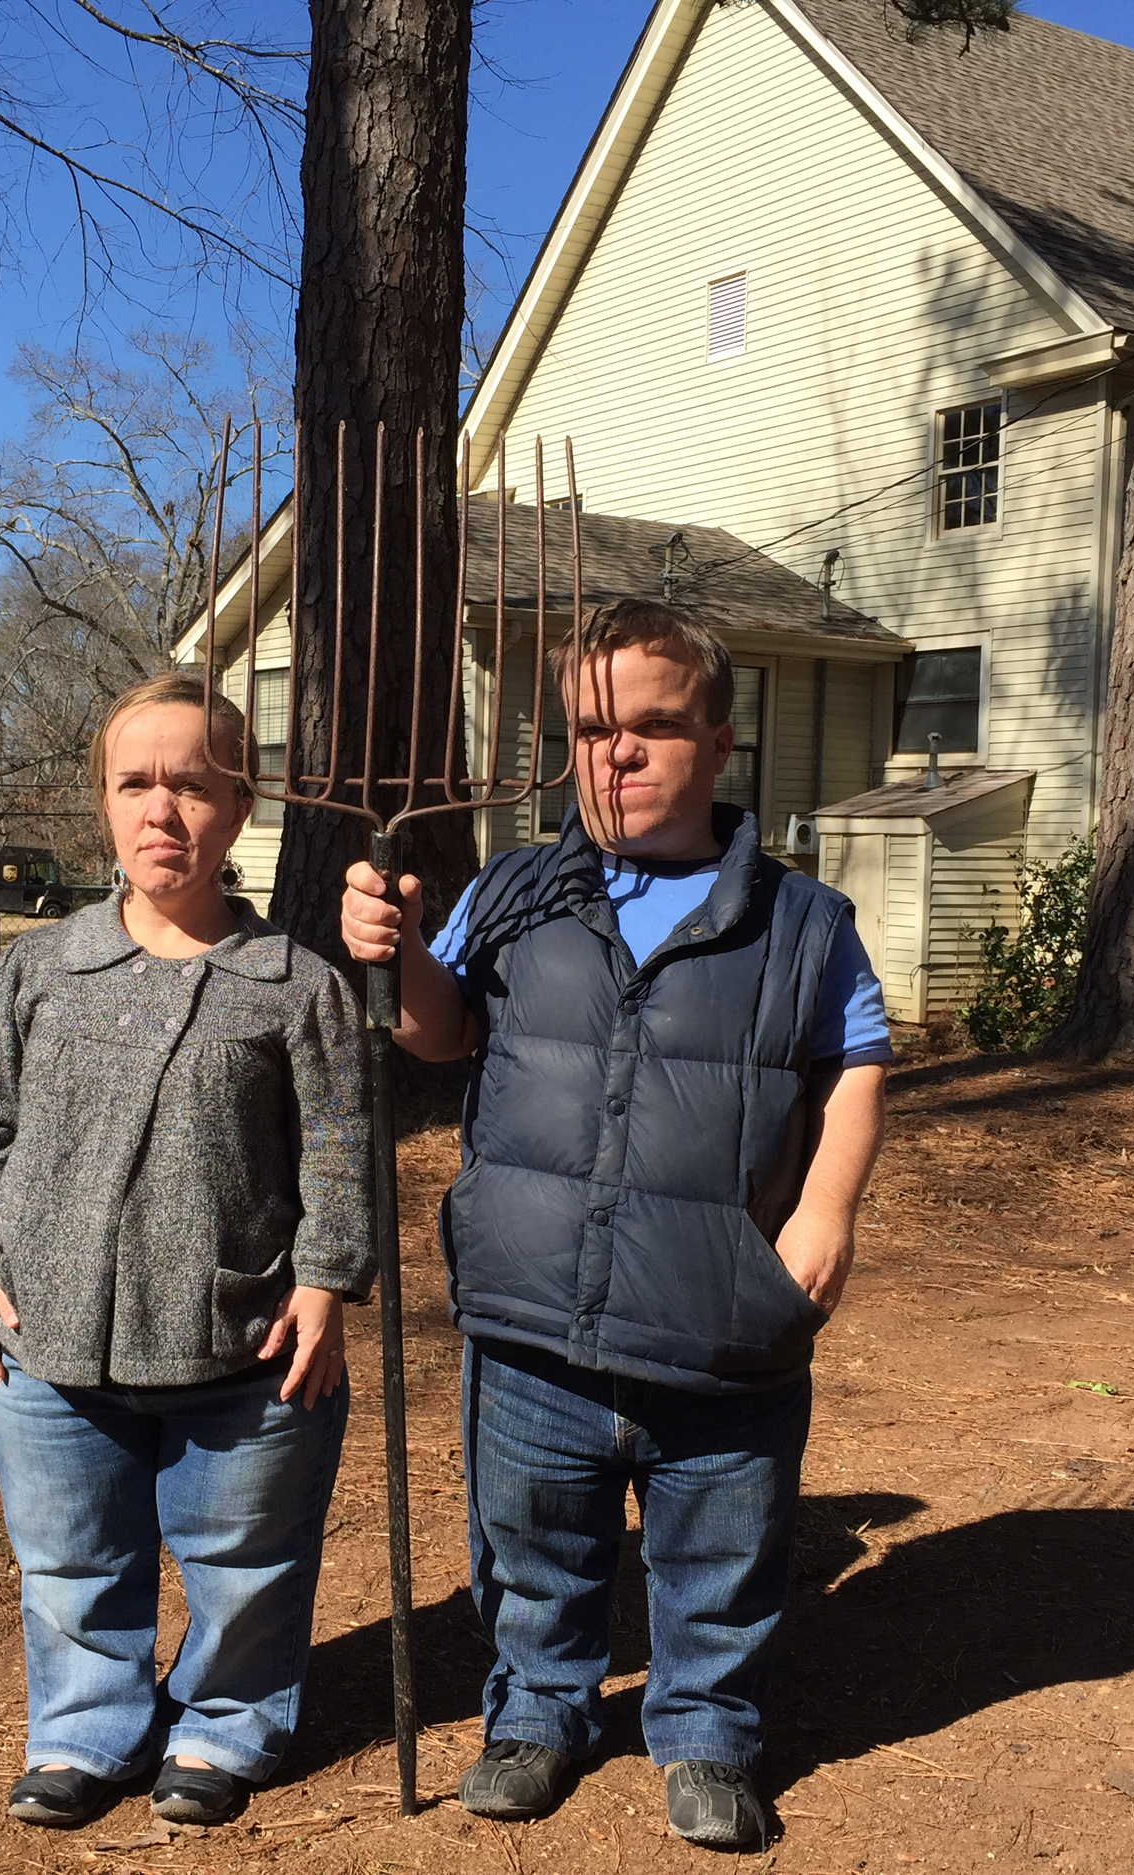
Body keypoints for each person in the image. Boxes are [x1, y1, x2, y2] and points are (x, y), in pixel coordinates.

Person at [342, 597, 889, 1852]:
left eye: (651, 726)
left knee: (720, 1554)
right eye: (590, 728)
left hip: (720, 1321)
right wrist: (398, 949)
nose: (617, 754)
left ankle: (707, 1732)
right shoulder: (521, 891)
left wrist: (826, 1211)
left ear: (717, 740)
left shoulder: (802, 924)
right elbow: (440, 1032)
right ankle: (539, 1709)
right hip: (531, 1312)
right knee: (533, 1540)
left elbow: (856, 1057)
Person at [0, 674, 371, 1831]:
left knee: (245, 1563)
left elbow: (339, 1153)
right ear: (102, 804)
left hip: (244, 1338)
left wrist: (327, 1285)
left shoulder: (296, 985)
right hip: (49, 1338)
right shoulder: (38, 971)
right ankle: (85, 1733)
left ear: (238, 810)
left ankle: (225, 1727)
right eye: (136, 783)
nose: (161, 811)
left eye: (192, 785)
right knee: (72, 1562)